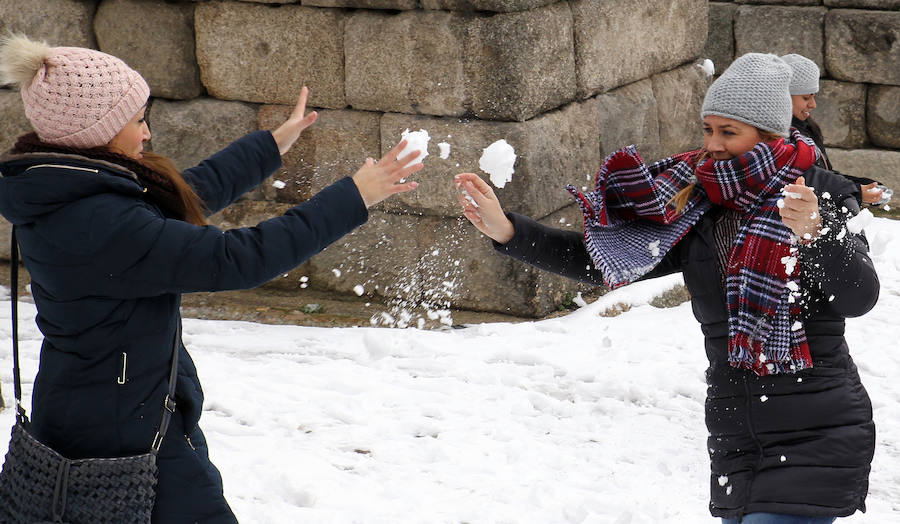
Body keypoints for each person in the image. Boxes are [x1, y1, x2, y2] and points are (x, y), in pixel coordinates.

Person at [0, 34, 421, 523]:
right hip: (121, 430)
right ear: (101, 131)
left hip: (110, 405)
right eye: (138, 120)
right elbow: (239, 257)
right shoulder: (103, 223)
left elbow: (181, 198)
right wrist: (353, 196)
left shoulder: (71, 189)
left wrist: (268, 146)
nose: (147, 134)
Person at [455, 53, 878, 523]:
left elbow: (860, 297)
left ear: (768, 133)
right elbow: (606, 264)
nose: (712, 144)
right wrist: (509, 232)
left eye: (728, 132)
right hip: (736, 431)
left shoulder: (823, 193)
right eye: (708, 129)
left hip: (817, 426)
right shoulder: (700, 203)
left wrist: (816, 237)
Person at [781, 53, 885, 207]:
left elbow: (825, 174)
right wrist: (854, 190)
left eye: (813, 96)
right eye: (806, 98)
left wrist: (862, 185)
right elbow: (804, 176)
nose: (813, 104)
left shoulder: (808, 129)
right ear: (784, 96)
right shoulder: (777, 136)